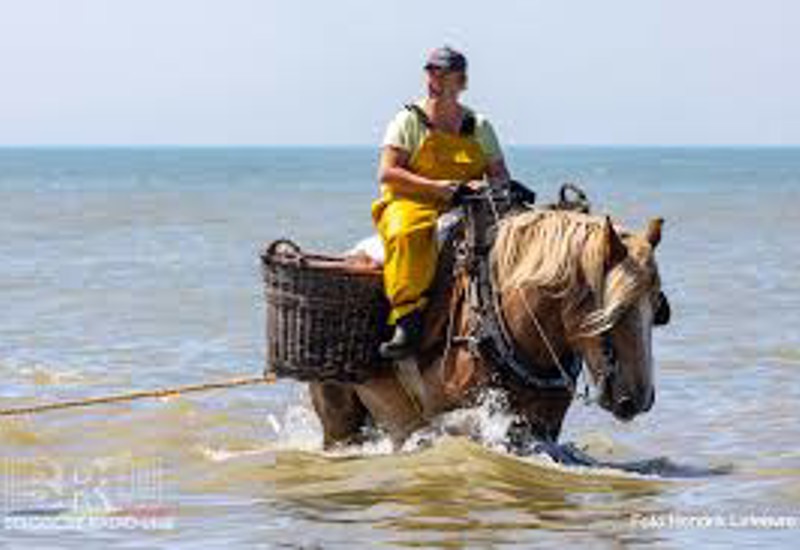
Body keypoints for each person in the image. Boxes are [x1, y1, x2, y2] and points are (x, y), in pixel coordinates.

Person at [373, 46, 511, 360]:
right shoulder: (409, 120)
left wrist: (485, 186)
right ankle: (406, 320)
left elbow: (501, 175)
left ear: (461, 81)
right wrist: (436, 187)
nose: (433, 79)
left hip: (466, 206)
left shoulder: (479, 126)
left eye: (442, 73)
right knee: (406, 233)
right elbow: (388, 172)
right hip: (411, 202)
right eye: (431, 72)